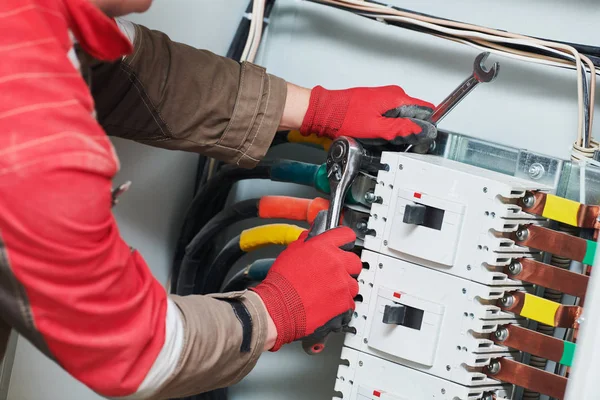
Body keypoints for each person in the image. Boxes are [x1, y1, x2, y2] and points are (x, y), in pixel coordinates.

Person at [0, 0, 436, 399]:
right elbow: (136, 349)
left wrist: (318, 109)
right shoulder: (32, 130)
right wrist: (276, 310)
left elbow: (128, 64)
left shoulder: (34, 19)